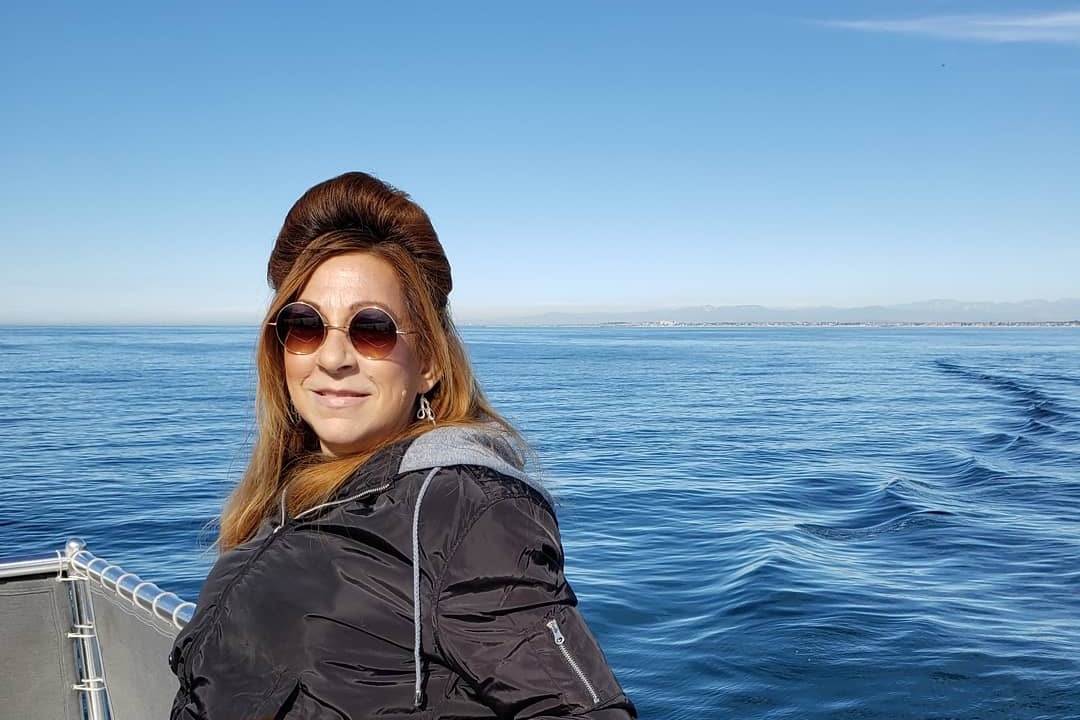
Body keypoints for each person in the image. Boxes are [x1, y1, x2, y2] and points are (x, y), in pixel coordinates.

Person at [169, 172, 636, 719]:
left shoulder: (459, 508)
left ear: (429, 363)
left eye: (373, 329)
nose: (333, 358)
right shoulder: (296, 496)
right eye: (305, 325)